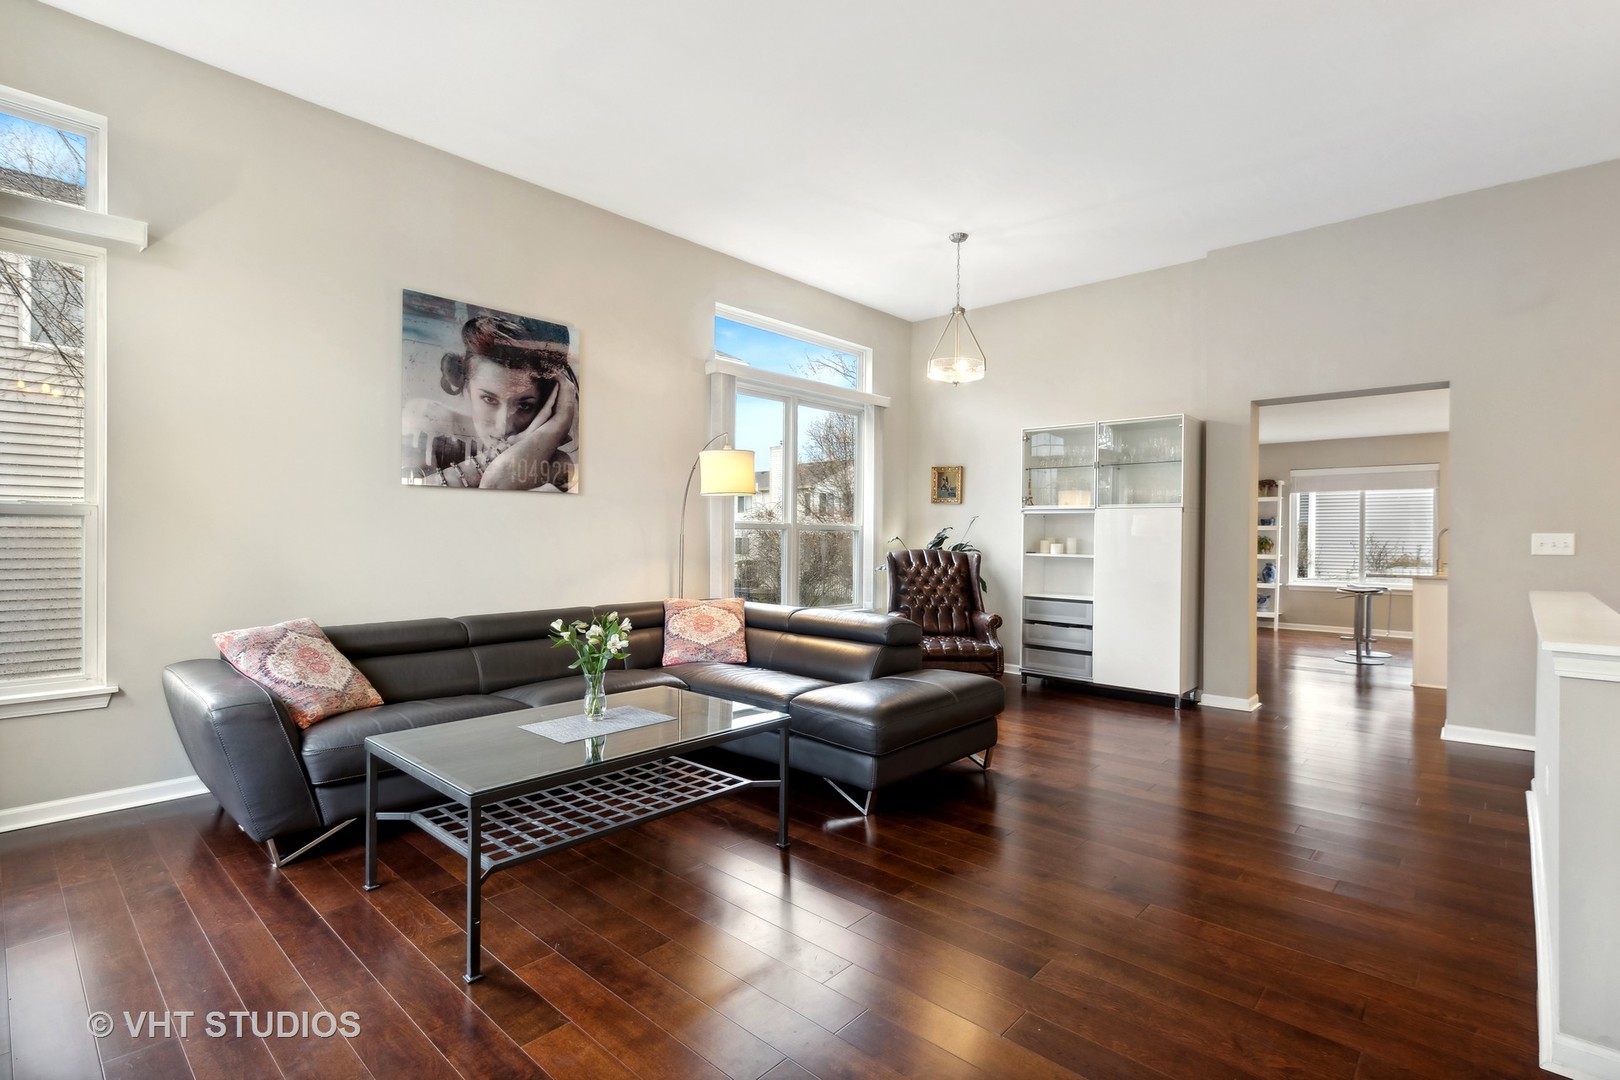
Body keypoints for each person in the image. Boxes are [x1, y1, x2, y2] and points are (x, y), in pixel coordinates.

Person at [402, 314, 579, 491]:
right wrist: (507, 449)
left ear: (547, 402)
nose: (504, 425)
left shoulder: (555, 466)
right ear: (467, 387)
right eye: (489, 399)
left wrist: (558, 423)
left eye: (524, 405)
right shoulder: (428, 421)